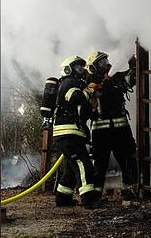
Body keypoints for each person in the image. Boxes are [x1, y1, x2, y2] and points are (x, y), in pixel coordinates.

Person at [84, 51, 139, 199]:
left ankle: (128, 190)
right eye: (101, 63)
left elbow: (133, 77)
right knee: (100, 163)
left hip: (121, 129)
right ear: (93, 67)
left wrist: (132, 62)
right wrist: (95, 89)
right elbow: (83, 102)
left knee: (128, 158)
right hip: (100, 131)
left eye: (106, 61)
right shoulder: (88, 82)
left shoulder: (117, 77)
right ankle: (96, 194)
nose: (107, 65)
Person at [51, 55, 101, 208]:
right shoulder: (69, 82)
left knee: (71, 169)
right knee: (82, 164)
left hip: (70, 132)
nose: (82, 70)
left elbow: (81, 109)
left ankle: (63, 198)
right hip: (67, 133)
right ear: (68, 69)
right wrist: (89, 90)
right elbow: (76, 98)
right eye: (78, 67)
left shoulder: (74, 83)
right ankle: (89, 199)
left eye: (82, 67)